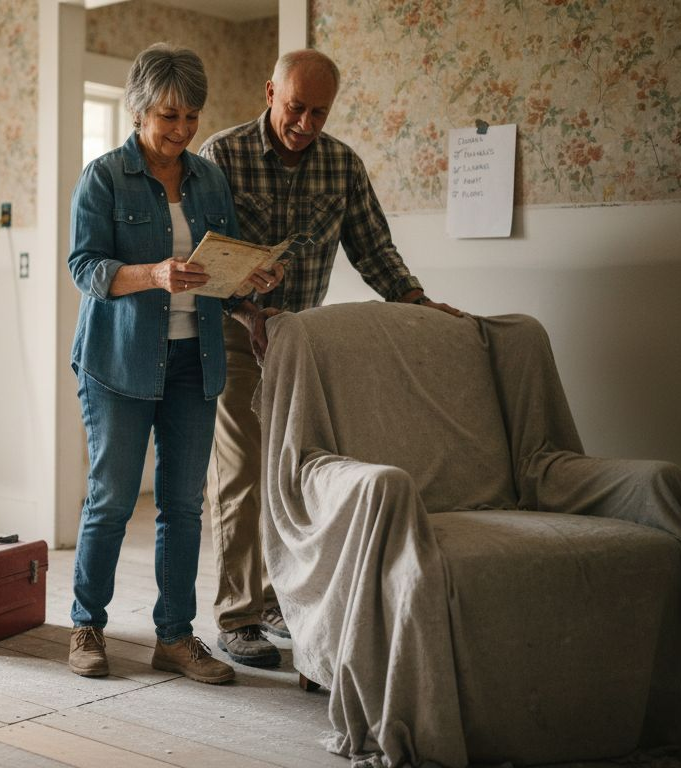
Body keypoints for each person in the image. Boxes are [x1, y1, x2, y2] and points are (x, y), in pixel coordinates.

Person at [198, 49, 463, 668]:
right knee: (241, 473)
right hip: (234, 333)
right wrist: (248, 314)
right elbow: (205, 263)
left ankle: (278, 602)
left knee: (293, 471)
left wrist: (419, 304)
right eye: (296, 108)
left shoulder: (342, 166)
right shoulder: (222, 156)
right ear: (270, 93)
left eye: (320, 112)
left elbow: (375, 250)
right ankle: (237, 615)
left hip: (300, 338)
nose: (307, 123)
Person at [66, 43, 283, 684]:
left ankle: (175, 635)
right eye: (169, 116)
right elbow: (86, 268)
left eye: (192, 117)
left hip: (196, 361)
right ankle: (86, 624)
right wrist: (154, 274)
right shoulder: (103, 177)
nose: (183, 131)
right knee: (110, 500)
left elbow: (217, 271)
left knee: (184, 505)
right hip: (119, 362)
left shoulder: (208, 178)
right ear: (138, 110)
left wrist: (252, 286)